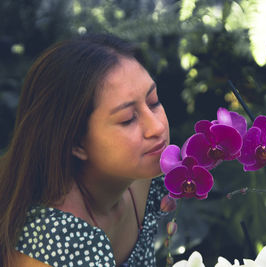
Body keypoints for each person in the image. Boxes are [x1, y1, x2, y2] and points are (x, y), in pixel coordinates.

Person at [0, 33, 170, 267]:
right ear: (76, 143)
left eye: (153, 102)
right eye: (128, 119)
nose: (157, 126)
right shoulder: (57, 243)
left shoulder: (142, 181)